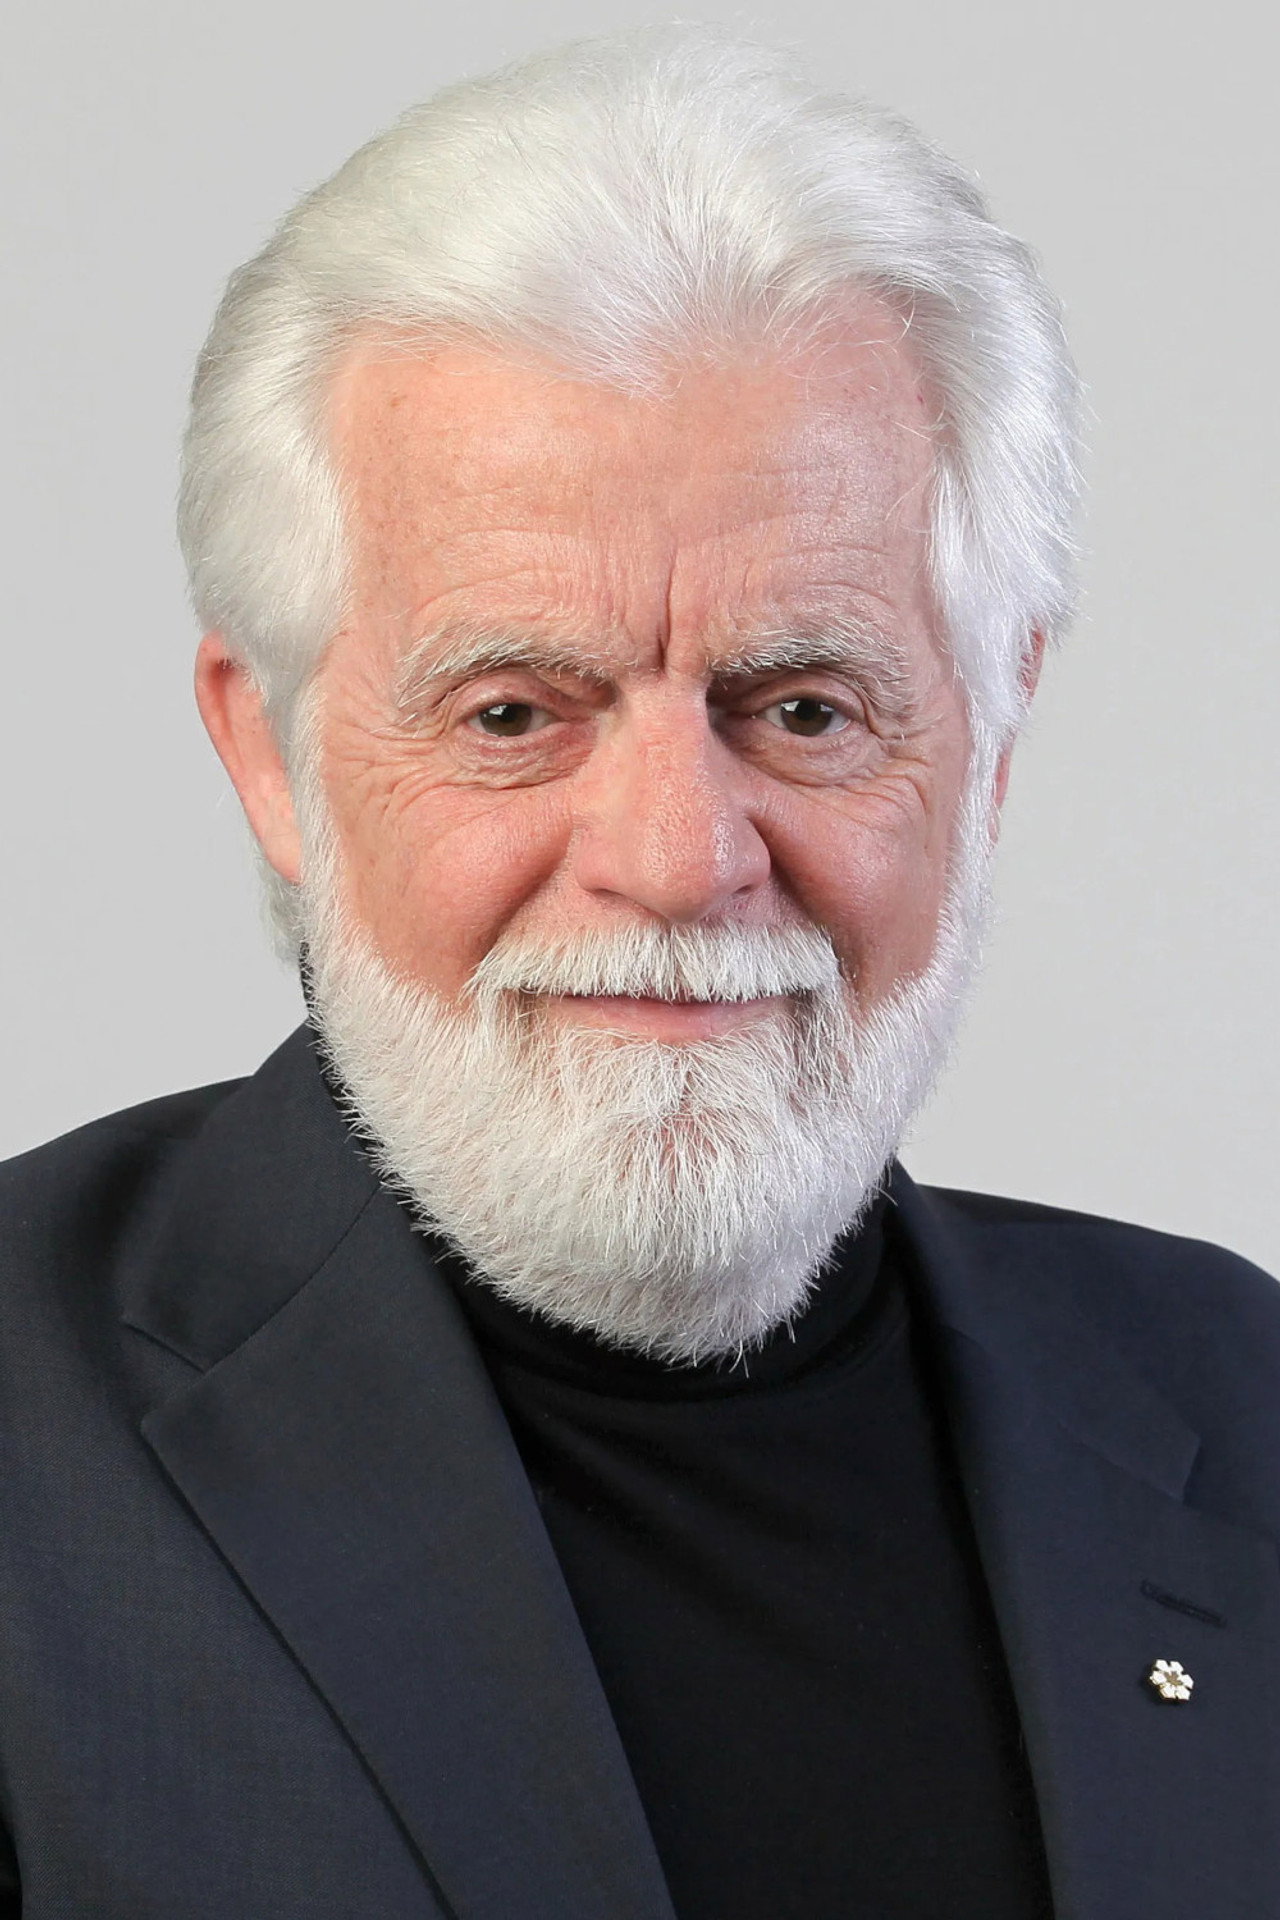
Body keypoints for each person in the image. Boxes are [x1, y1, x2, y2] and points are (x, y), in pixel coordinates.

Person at [0, 25, 1276, 1919]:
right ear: (270, 755)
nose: (679, 859)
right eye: (514, 711)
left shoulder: (1241, 1395)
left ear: (990, 747)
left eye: (807, 706)